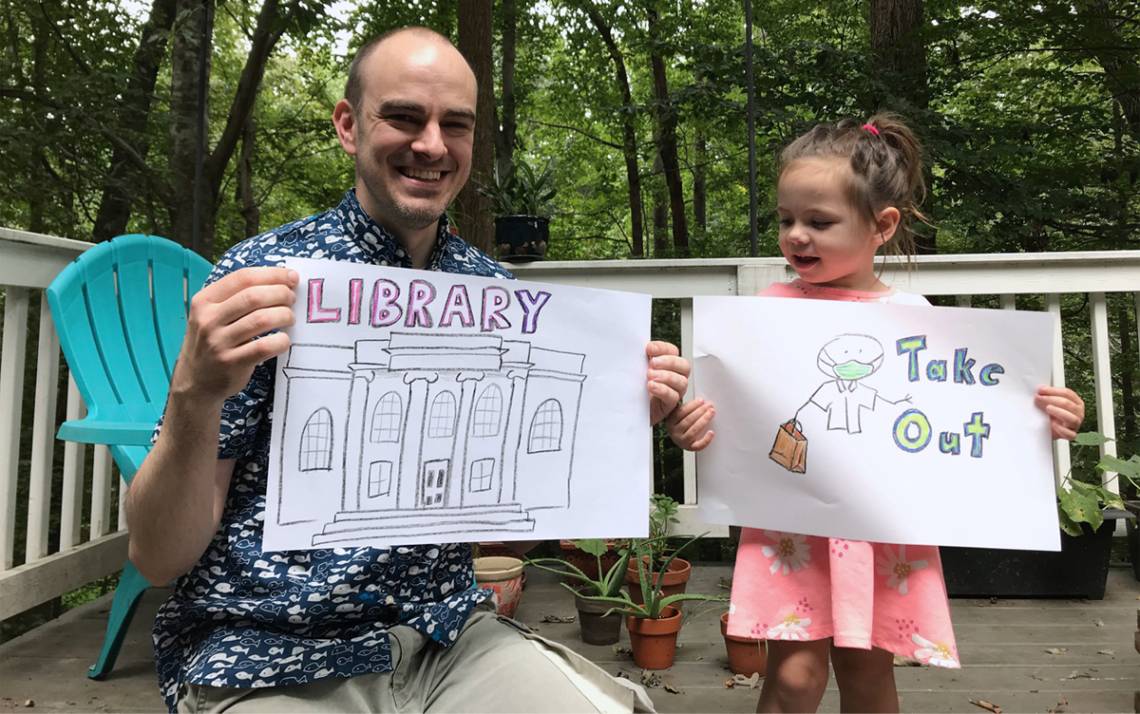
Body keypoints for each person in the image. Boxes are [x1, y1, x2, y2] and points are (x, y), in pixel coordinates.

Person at [126, 27, 686, 713]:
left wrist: (609, 426)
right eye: (403, 117)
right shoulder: (263, 283)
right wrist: (192, 396)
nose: (431, 144)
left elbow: (500, 530)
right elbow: (157, 557)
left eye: (455, 124)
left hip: (448, 640)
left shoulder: (495, 297)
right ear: (347, 124)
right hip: (270, 651)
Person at [666, 113, 1086, 713]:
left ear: (881, 225)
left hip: (882, 536)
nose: (796, 236)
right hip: (793, 530)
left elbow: (960, 414)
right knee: (792, 677)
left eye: (819, 221)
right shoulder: (764, 313)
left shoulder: (919, 319)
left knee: (867, 677)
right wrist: (692, 427)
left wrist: (1039, 419)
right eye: (786, 220)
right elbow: (732, 423)